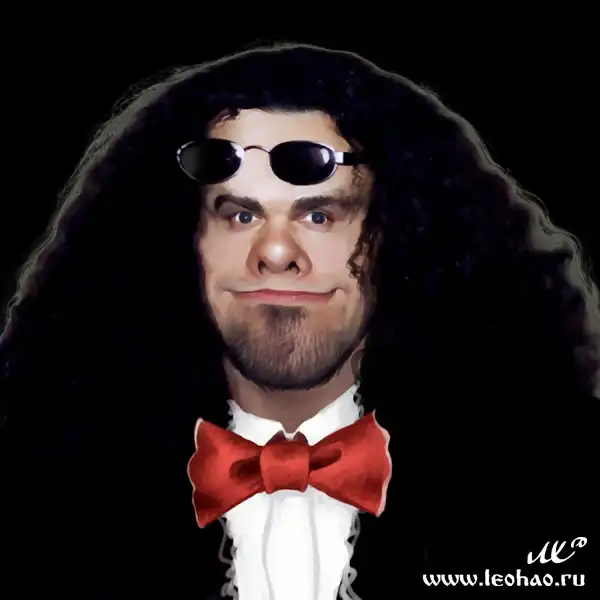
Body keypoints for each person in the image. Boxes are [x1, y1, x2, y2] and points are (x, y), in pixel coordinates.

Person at [1, 43, 599, 599]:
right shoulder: (34, 498)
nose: (276, 251)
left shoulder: (557, 492)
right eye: (239, 215)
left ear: (399, 238)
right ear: (180, 243)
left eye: (319, 216)